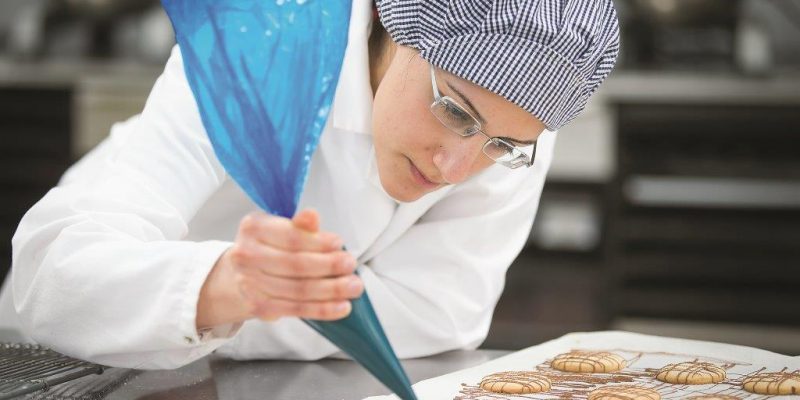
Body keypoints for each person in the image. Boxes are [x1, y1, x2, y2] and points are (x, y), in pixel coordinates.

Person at [10, 0, 619, 369]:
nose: (455, 170)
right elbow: (53, 276)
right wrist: (220, 286)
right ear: (391, 22)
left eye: (502, 146)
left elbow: (442, 316)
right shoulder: (262, 51)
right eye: (453, 113)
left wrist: (252, 306)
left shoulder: (510, 129)